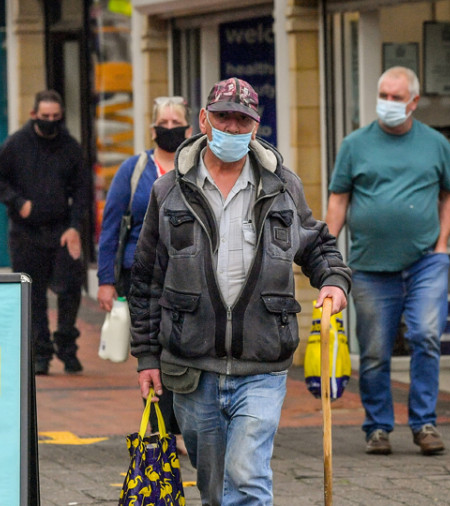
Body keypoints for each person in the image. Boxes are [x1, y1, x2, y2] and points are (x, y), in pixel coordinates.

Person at [129, 77, 350, 505]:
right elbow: (145, 281)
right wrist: (146, 357)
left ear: (255, 127)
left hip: (262, 362)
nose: (231, 128)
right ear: (203, 120)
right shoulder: (168, 190)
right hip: (191, 364)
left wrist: (333, 283)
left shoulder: (282, 185)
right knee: (213, 487)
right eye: (223, 117)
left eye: (241, 120)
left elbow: (317, 244)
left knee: (247, 478)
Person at [325, 66, 450, 457]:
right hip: (369, 267)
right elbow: (339, 199)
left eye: (396, 98)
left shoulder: (435, 144)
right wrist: (328, 255)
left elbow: (449, 194)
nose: (388, 104)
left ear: (414, 102)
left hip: (425, 262)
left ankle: (424, 423)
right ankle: (378, 427)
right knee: (374, 352)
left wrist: (443, 243)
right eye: (383, 95)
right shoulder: (355, 144)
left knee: (426, 337)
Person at [97, 96, 192, 438]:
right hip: (140, 276)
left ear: (189, 129)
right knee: (152, 350)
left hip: (187, 275)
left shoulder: (196, 168)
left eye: (175, 123)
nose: (169, 129)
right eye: (163, 124)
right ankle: (160, 428)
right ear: (152, 130)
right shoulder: (133, 170)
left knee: (182, 348)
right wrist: (106, 279)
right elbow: (111, 226)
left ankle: (182, 426)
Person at [0, 90, 90, 376]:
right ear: (34, 115)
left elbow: (82, 190)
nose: (50, 122)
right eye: (45, 117)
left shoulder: (70, 146)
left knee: (70, 288)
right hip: (26, 232)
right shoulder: (16, 144)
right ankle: (40, 352)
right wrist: (18, 203)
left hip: (61, 231)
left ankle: (67, 346)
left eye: (56, 117)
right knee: (33, 295)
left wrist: (73, 226)